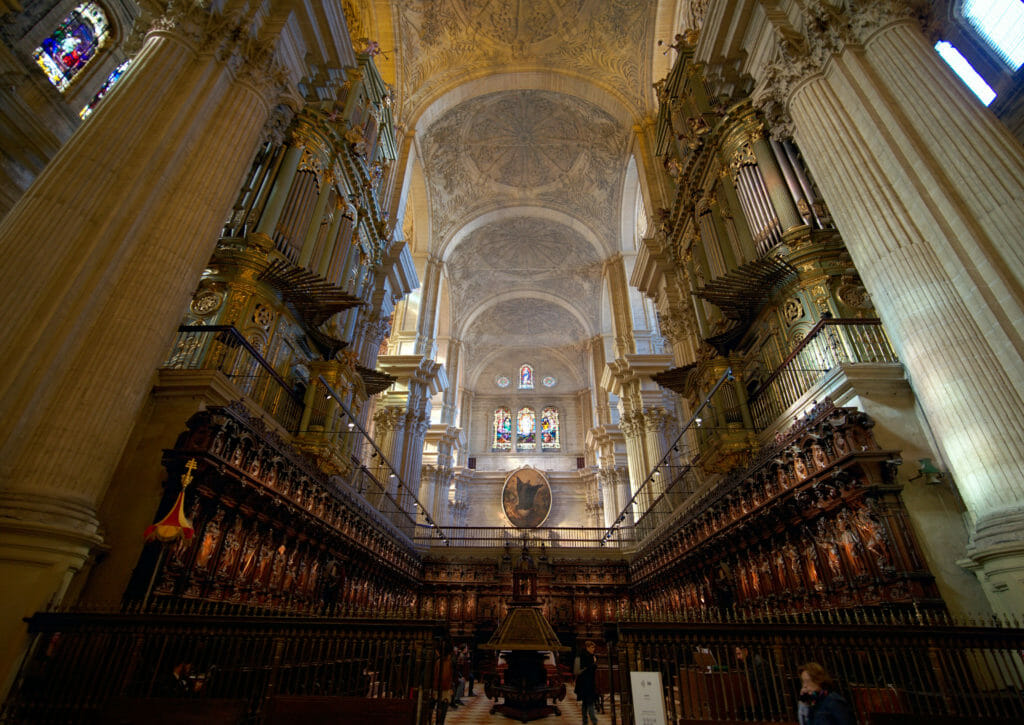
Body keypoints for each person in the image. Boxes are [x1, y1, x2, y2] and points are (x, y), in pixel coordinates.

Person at [574, 640, 599, 725]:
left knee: (585, 703)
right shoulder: (586, 656)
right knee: (590, 702)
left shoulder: (586, 655)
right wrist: (594, 663)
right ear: (587, 647)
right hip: (586, 683)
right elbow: (586, 670)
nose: (594, 649)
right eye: (592, 647)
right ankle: (594, 721)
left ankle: (585, 722)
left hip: (585, 682)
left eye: (594, 647)